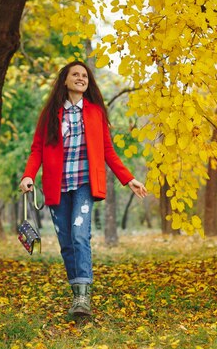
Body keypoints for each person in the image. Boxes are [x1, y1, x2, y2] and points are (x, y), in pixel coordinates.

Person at [19, 60, 148, 316]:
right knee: (66, 243)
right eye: (75, 75)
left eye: (84, 76)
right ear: (65, 81)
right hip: (57, 187)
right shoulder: (50, 114)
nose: (80, 78)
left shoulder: (95, 112)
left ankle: (83, 299)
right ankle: (76, 294)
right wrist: (28, 175)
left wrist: (128, 178)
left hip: (84, 185)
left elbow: (107, 151)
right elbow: (37, 149)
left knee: (79, 236)